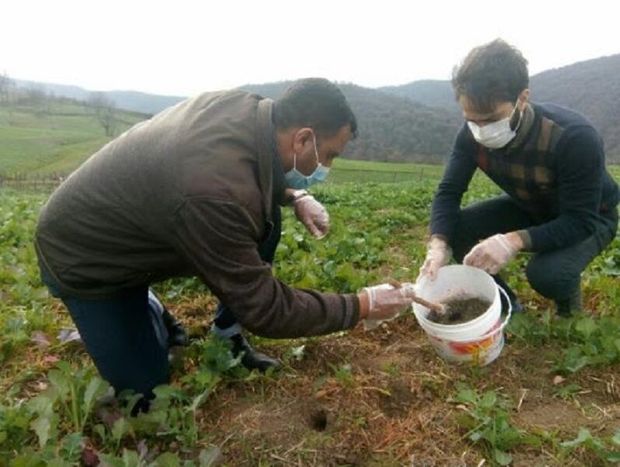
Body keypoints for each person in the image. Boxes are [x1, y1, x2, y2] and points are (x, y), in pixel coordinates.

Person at [35, 78, 416, 407]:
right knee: (146, 395)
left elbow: (246, 169)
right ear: (303, 138)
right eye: (329, 155)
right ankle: (140, 300)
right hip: (84, 258)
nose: (327, 167)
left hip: (145, 219)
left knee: (263, 218)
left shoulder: (250, 110)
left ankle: (226, 336)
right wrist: (363, 305)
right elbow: (267, 309)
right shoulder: (213, 195)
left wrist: (295, 196)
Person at [418, 39, 618, 317]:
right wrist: (438, 244)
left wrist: (511, 241)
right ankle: (507, 305)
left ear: (522, 99)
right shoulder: (470, 135)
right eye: (472, 119)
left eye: (491, 119)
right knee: (456, 228)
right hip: (532, 205)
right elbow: (448, 192)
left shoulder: (573, 137)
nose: (481, 130)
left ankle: (567, 302)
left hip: (591, 216)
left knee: (547, 274)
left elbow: (579, 220)